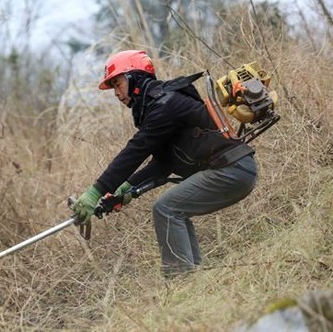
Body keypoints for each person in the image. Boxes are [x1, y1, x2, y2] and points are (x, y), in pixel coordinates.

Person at [72, 49, 257, 277]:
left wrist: (95, 192)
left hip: (231, 170)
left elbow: (136, 150)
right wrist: (126, 189)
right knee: (175, 209)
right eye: (113, 88)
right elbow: (164, 164)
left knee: (166, 209)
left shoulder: (165, 105)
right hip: (233, 169)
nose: (117, 94)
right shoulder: (157, 106)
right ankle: (193, 279)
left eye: (118, 84)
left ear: (135, 78)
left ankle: (180, 281)